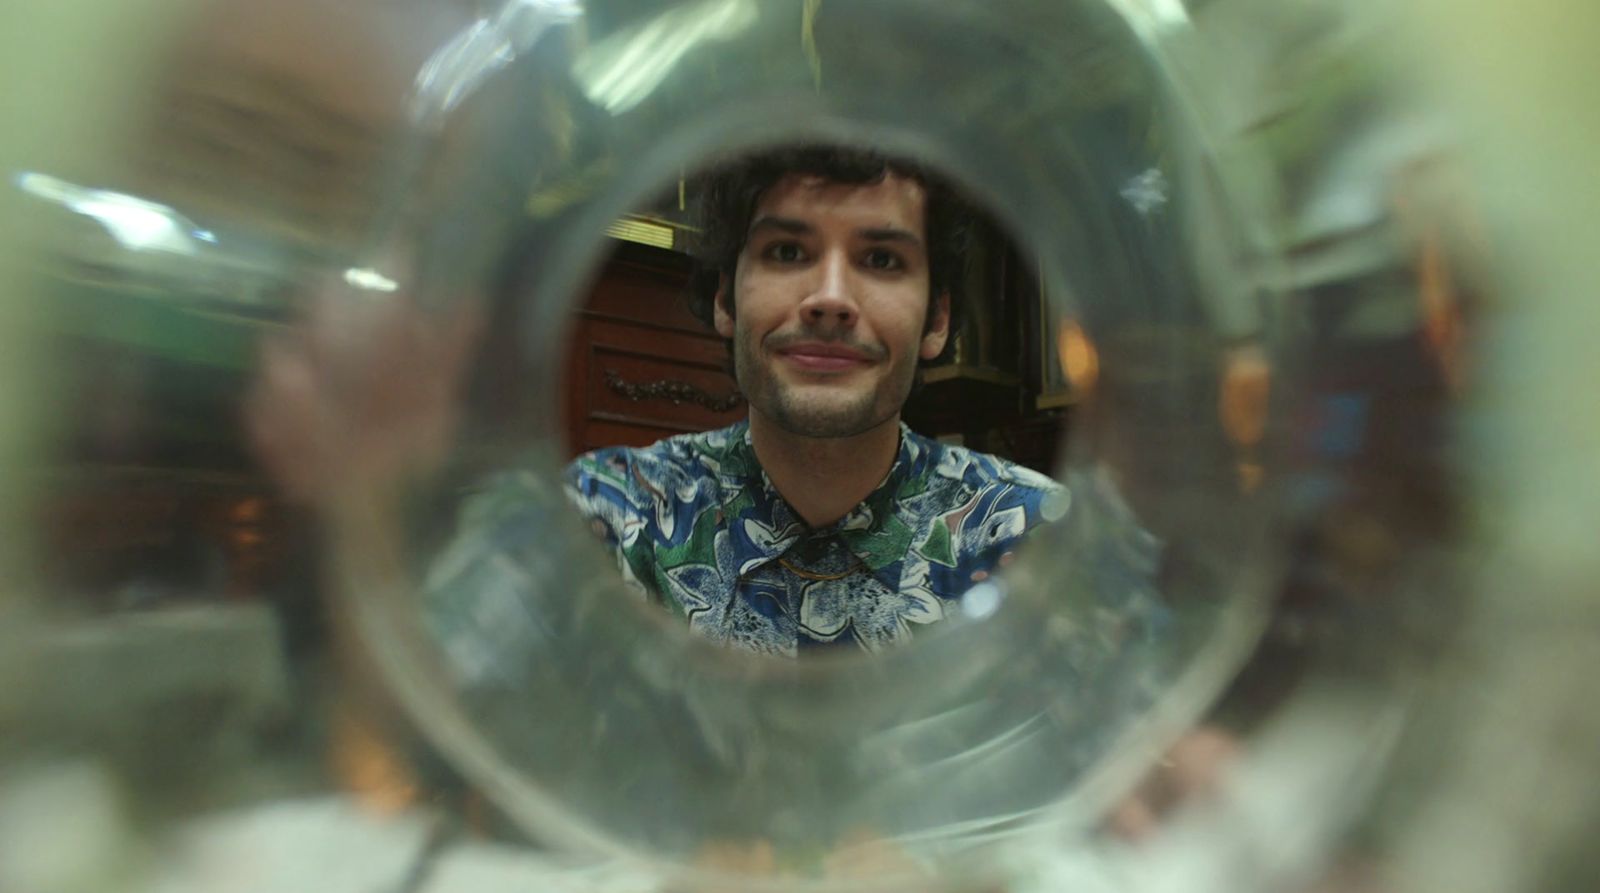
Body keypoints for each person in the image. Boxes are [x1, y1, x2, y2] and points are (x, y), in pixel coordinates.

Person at [557, 145, 1069, 656]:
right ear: (724, 298)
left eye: (881, 259)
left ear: (936, 321)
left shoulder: (1038, 542)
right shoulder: (602, 522)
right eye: (786, 252)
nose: (830, 300)